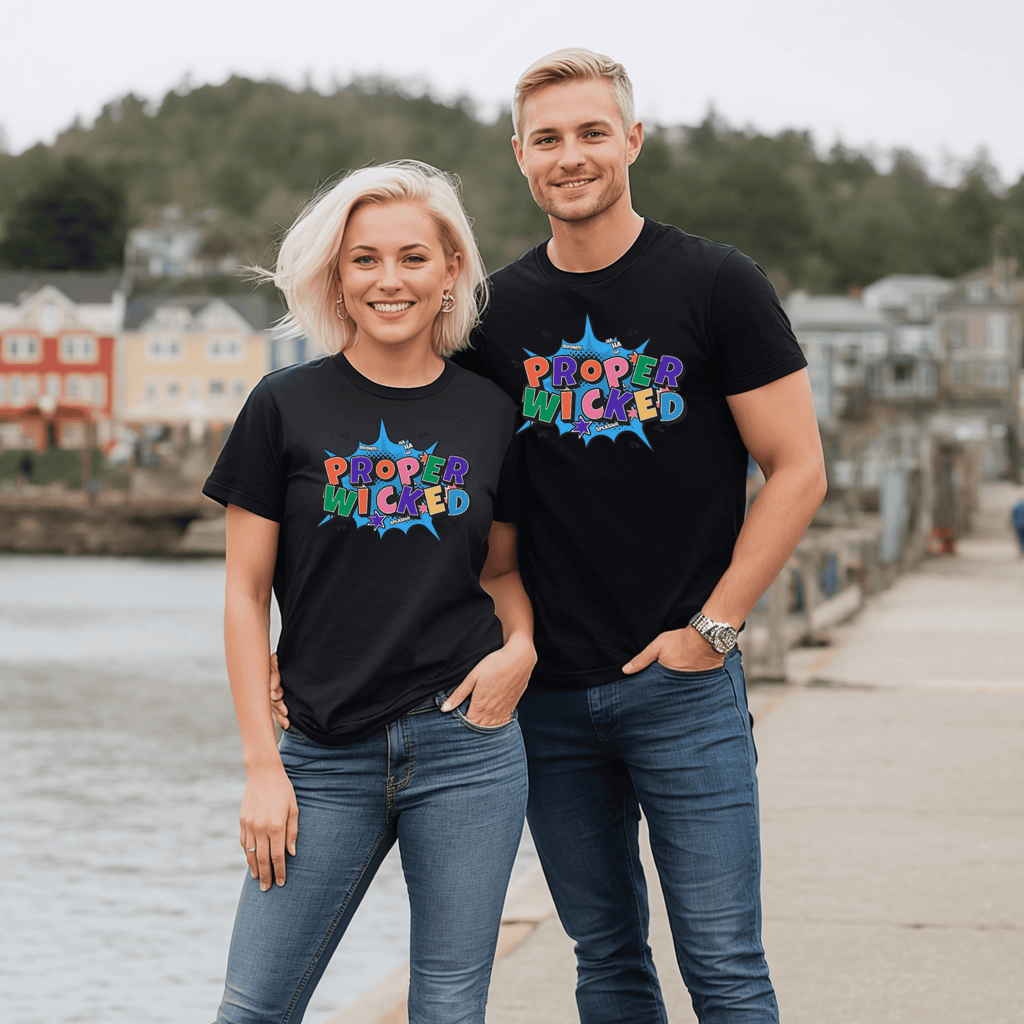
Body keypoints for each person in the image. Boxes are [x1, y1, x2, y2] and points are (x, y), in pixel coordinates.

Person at [274, 49, 826, 1023]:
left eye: (590, 133)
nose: (570, 156)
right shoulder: (494, 317)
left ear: (631, 141)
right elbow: (428, 492)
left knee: (725, 965)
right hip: (545, 701)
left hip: (683, 689)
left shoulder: (715, 285)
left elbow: (797, 469)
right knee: (605, 956)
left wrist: (716, 629)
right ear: (521, 157)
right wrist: (300, 643)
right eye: (547, 140)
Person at [204, 160, 535, 1024]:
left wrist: (523, 650)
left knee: (451, 1005)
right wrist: (261, 768)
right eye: (365, 260)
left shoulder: (493, 413)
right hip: (318, 754)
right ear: (337, 279)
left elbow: (499, 570)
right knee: (252, 1007)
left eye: (414, 258)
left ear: (451, 270)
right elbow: (244, 597)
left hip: (467, 747)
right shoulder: (284, 406)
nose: (390, 280)